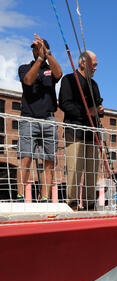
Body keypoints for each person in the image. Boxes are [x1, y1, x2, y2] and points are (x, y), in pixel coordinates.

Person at [17, 34, 62, 203]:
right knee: (26, 158)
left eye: (39, 47)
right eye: (34, 48)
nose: (36, 50)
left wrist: (48, 54)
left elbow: (59, 74)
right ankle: (20, 196)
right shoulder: (24, 68)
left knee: (49, 161)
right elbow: (28, 81)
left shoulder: (51, 69)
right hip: (28, 119)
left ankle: (44, 197)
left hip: (49, 120)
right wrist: (39, 59)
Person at [59, 51, 104, 210]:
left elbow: (97, 108)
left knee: (92, 171)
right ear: (83, 63)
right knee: (74, 170)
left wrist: (99, 110)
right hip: (75, 131)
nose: (96, 68)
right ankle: (72, 204)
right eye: (94, 64)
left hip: (92, 133)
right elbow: (64, 104)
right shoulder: (69, 80)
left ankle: (90, 203)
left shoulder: (94, 85)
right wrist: (86, 112)